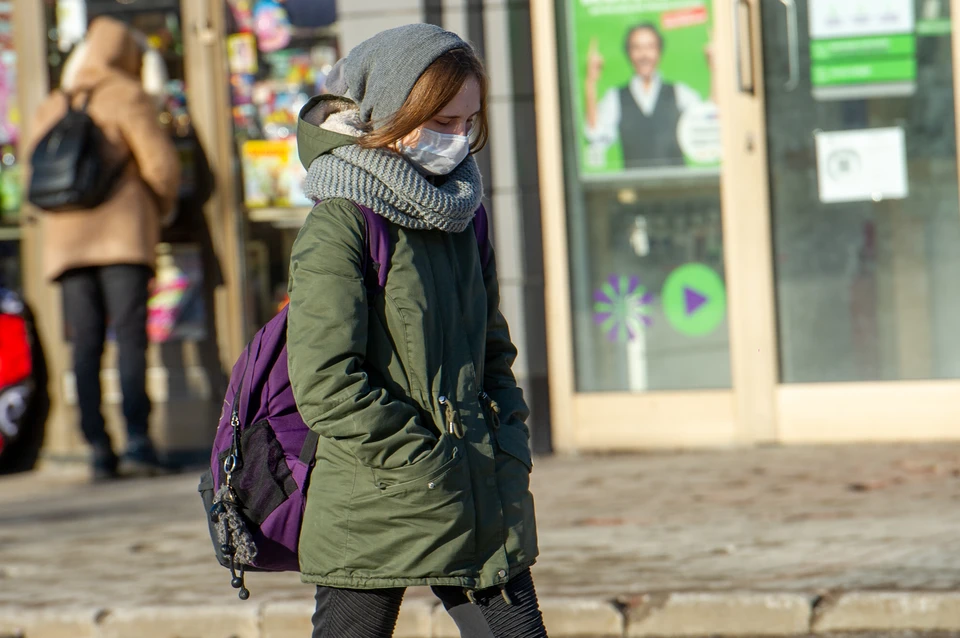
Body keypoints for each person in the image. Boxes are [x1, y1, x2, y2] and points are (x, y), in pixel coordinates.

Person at [286, 23, 546, 638]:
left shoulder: (462, 214)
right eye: (442, 122)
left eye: (468, 123)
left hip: (478, 484)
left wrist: (506, 435)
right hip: (378, 496)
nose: (457, 141)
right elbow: (325, 381)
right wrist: (422, 459)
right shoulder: (340, 223)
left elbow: (492, 347)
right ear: (395, 113)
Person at [28, 17, 181, 481]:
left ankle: (97, 447)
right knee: (131, 338)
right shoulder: (127, 94)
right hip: (122, 236)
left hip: (65, 241)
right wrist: (163, 207)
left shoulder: (53, 103)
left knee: (85, 344)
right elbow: (160, 165)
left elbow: (33, 175)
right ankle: (138, 440)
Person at [584, 23, 704, 169]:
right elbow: (596, 134)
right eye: (637, 48)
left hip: (677, 187)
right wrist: (591, 81)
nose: (644, 55)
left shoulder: (679, 92)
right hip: (635, 188)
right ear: (629, 53)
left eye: (650, 47)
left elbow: (708, 120)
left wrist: (716, 68)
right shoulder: (616, 97)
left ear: (659, 52)